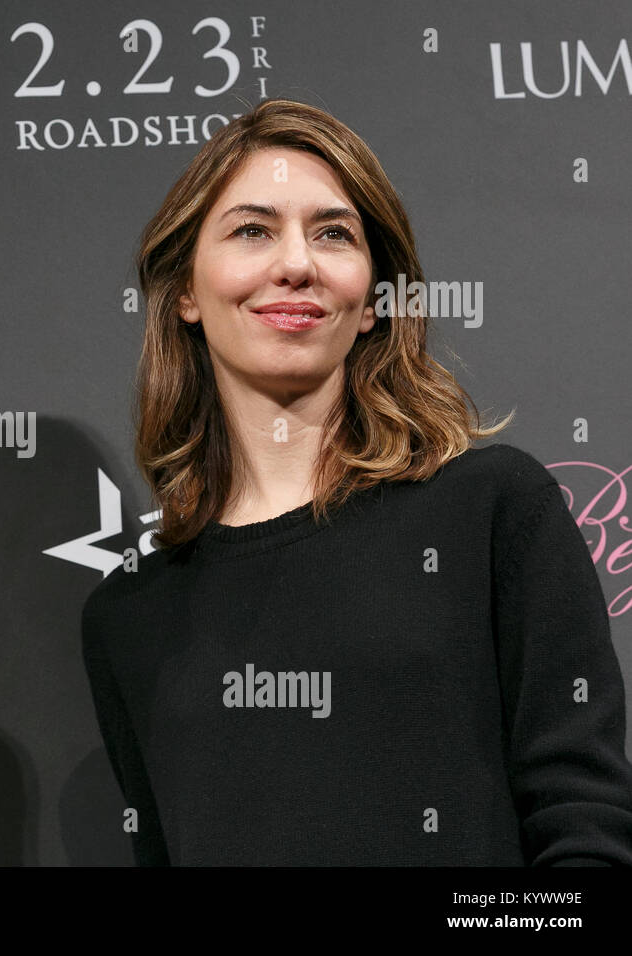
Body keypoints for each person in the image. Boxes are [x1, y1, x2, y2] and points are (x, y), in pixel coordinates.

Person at [81, 98, 632, 865]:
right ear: (184, 290)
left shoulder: (490, 510)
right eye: (252, 230)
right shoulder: (128, 613)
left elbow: (585, 829)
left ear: (375, 297)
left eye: (333, 233)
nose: (297, 263)